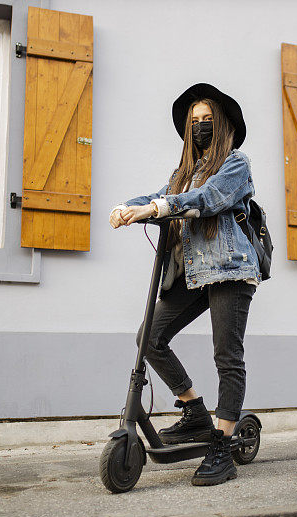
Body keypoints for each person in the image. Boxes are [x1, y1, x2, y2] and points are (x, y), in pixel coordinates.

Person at [108, 82, 260, 486]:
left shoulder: (235, 164)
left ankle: (222, 446)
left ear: (221, 124)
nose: (200, 127)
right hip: (193, 274)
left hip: (229, 268)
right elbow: (161, 194)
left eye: (207, 121)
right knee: (149, 337)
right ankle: (194, 411)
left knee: (227, 355)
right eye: (195, 122)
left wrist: (160, 207)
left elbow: (209, 198)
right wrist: (127, 207)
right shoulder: (183, 173)